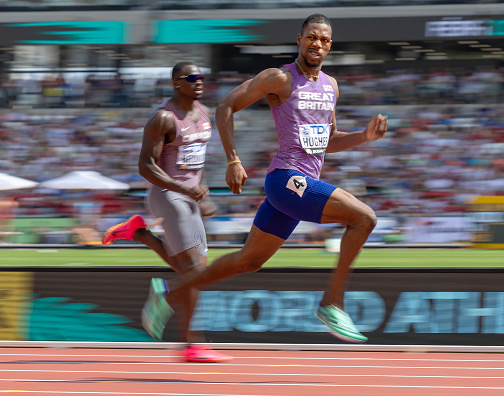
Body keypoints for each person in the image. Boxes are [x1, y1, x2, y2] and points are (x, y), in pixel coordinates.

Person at [142, 13, 388, 343]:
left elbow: (326, 140)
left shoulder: (330, 86)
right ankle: (332, 303)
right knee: (364, 219)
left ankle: (167, 294)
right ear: (299, 39)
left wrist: (364, 136)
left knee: (249, 261)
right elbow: (225, 107)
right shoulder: (279, 78)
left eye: (324, 40)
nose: (318, 44)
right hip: (286, 179)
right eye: (312, 37)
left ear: (330, 45)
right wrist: (233, 159)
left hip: (294, 189)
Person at [101, 62, 233, 363]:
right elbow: (145, 166)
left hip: (190, 197)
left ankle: (139, 232)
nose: (199, 82)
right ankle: (174, 314)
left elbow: (197, 162)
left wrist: (204, 194)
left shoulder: (204, 114)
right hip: (167, 195)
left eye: (202, 77)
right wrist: (184, 190)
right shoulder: (163, 118)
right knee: (194, 273)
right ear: (177, 83)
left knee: (194, 273)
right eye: (192, 78)